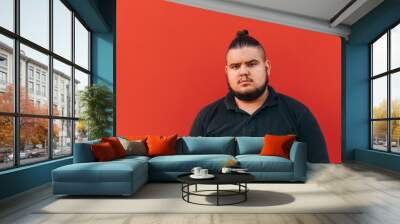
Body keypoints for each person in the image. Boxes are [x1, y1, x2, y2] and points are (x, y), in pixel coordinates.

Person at [189, 30, 329, 163]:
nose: (243, 72)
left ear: (267, 67)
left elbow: (321, 172)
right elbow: (190, 170)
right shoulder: (206, 118)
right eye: (235, 66)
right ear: (227, 71)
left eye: (252, 64)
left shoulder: (298, 114)